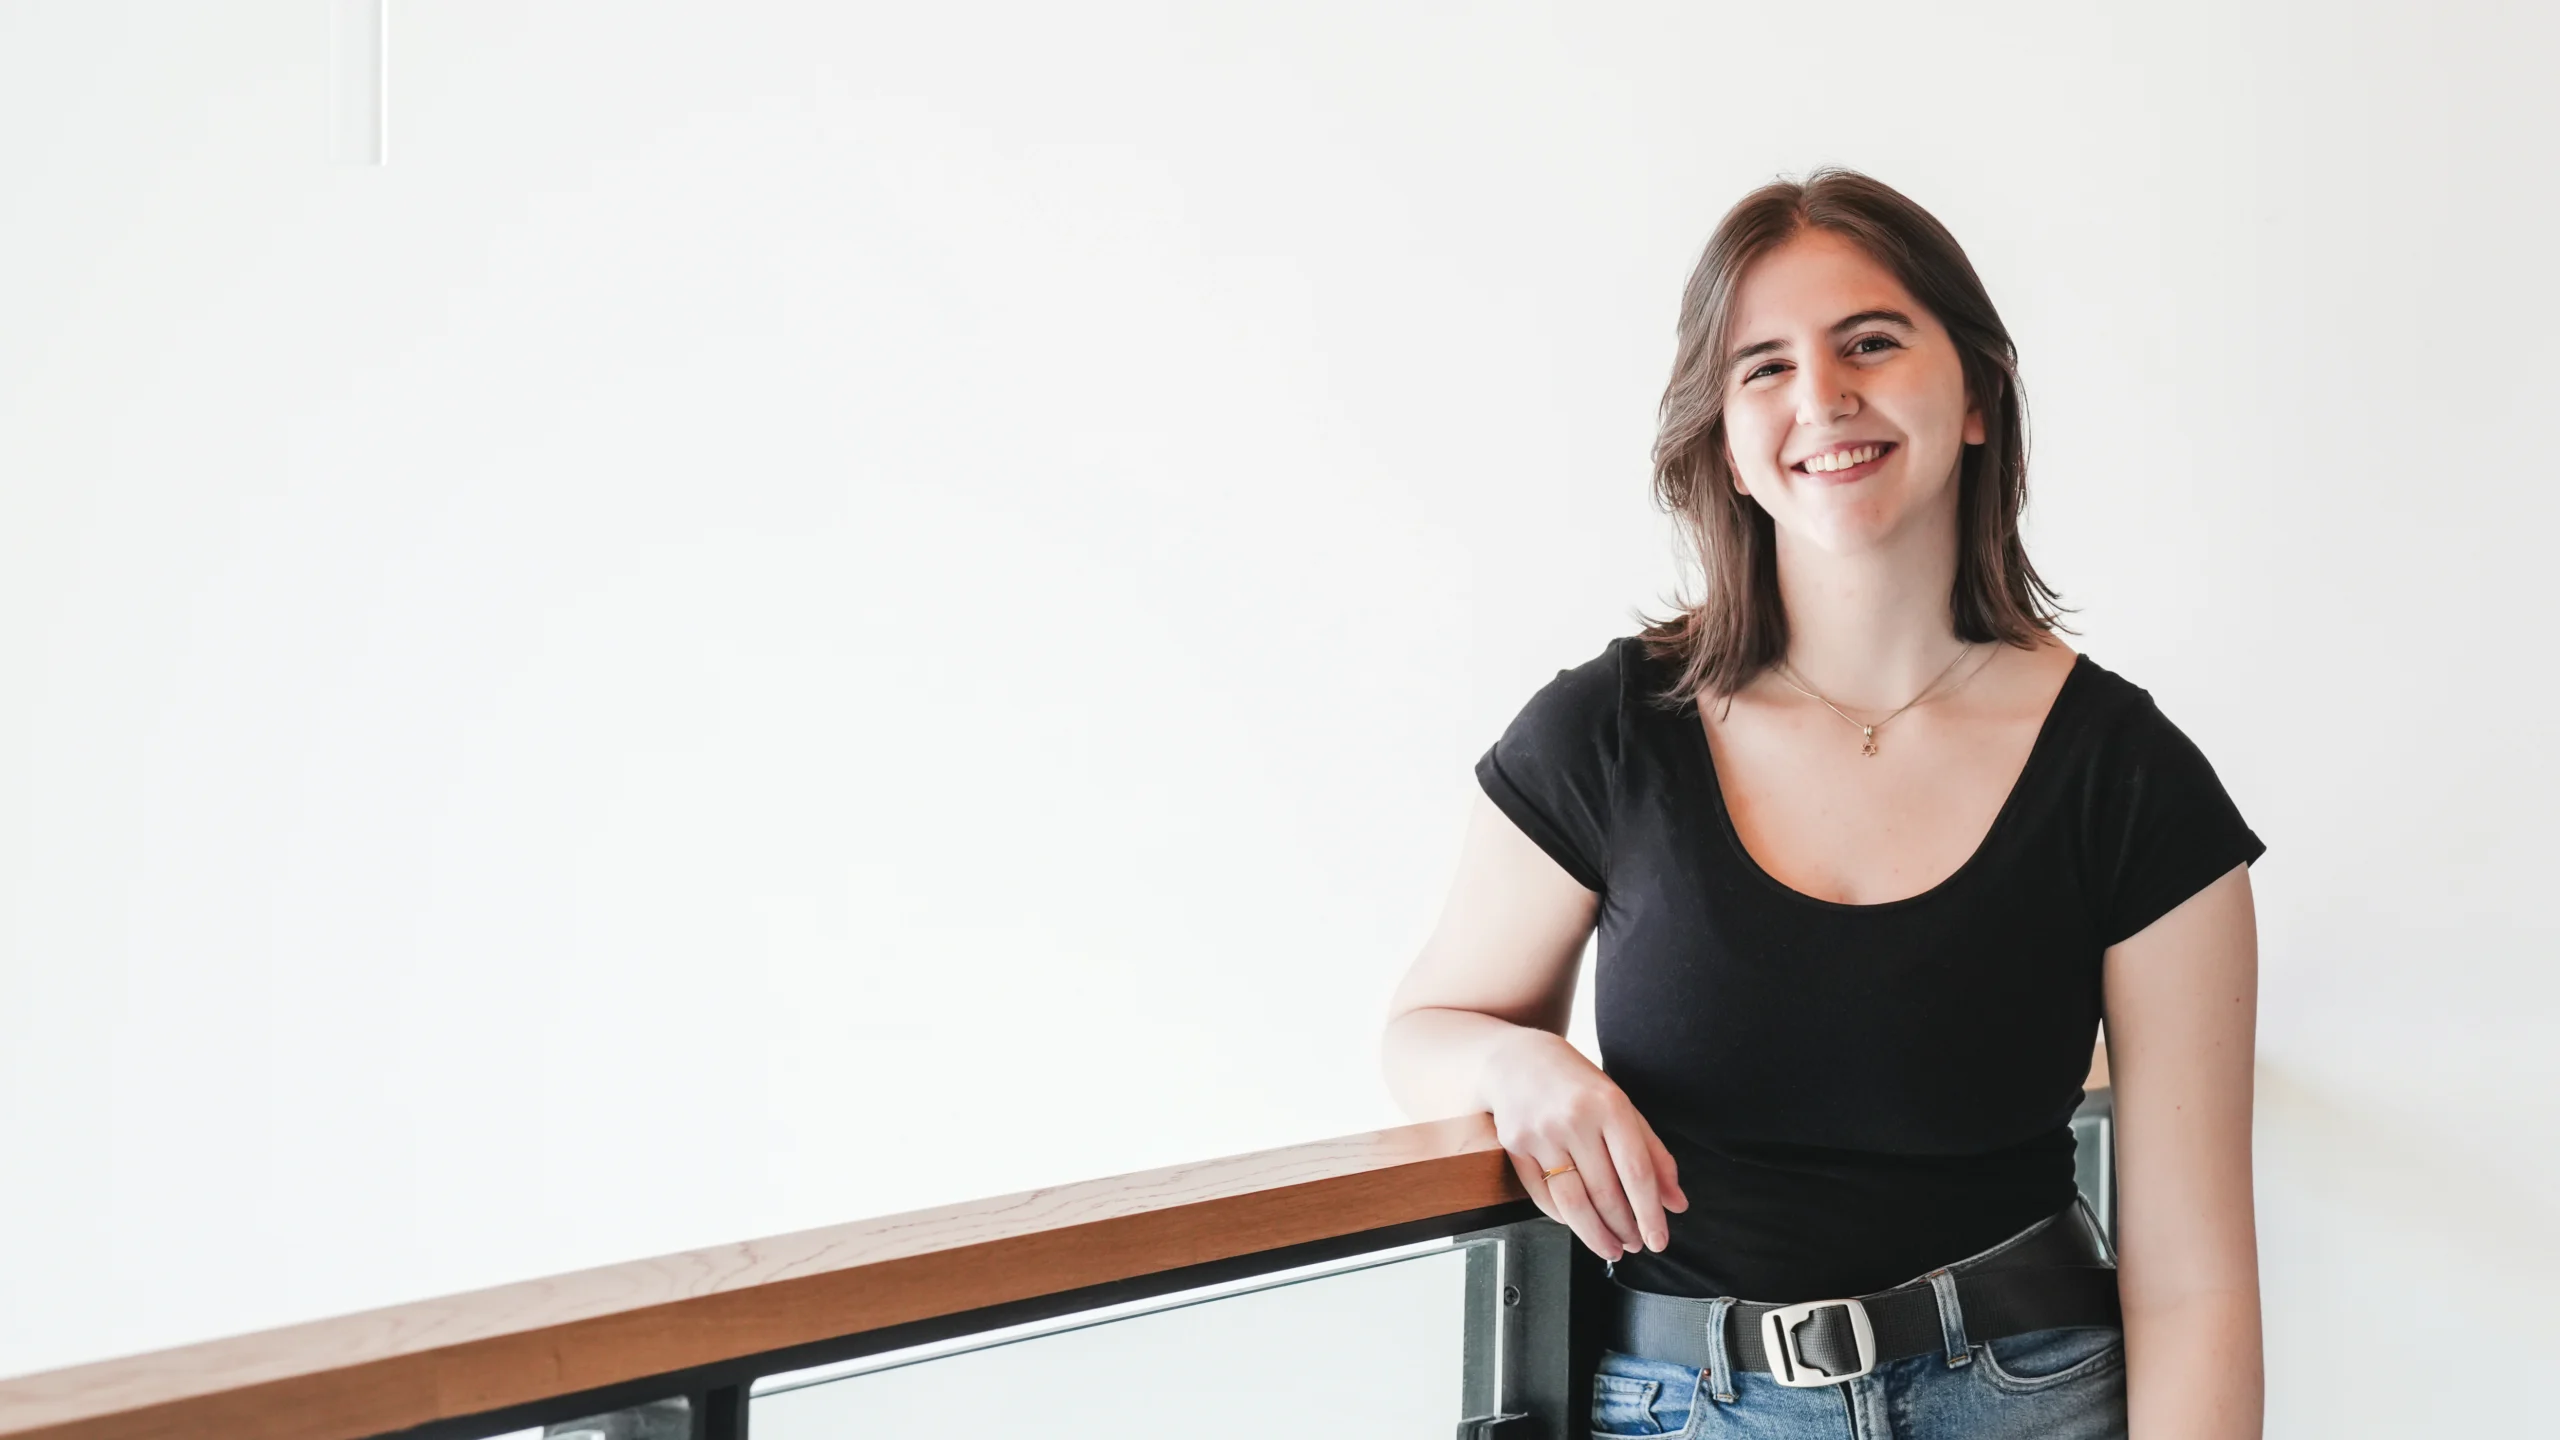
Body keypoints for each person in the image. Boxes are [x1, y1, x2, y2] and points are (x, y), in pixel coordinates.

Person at [1379, 168, 2264, 1439]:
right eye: (1764, 368)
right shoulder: (1610, 732)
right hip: (1682, 1407)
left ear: (1973, 395)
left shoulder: (2129, 777)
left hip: (2027, 1400)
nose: (1822, 398)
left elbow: (2193, 1284)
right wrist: (1518, 1060)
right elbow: (1423, 1028)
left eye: (1869, 343)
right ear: (1727, 445)